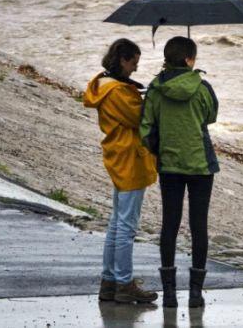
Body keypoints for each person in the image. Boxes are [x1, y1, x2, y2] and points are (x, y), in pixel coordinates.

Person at [140, 36, 219, 308]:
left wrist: (160, 151)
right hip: (200, 165)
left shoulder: (155, 88)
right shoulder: (203, 87)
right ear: (188, 60)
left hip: (170, 166)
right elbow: (211, 116)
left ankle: (170, 293)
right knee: (199, 226)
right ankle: (195, 294)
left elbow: (146, 128)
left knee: (169, 225)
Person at [83, 38, 158, 304]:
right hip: (131, 158)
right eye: (134, 63)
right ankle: (124, 283)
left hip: (118, 154)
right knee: (126, 226)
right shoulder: (118, 92)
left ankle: (110, 281)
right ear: (122, 60)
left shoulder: (104, 85)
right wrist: (154, 96)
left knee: (117, 224)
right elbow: (142, 118)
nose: (136, 69)